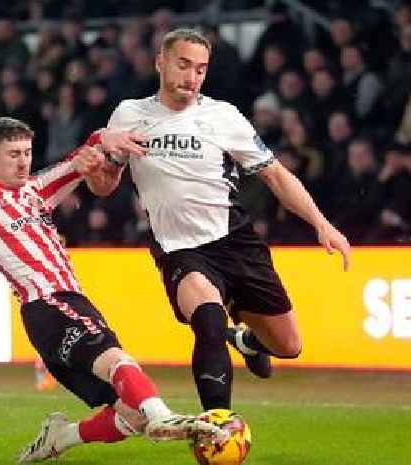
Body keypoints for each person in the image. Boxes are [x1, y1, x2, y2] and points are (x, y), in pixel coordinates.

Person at [0, 117, 225, 463]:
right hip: (49, 302)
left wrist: (105, 139)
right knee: (116, 360)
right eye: (13, 153)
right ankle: (163, 416)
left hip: (57, 314)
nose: (23, 161)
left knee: (131, 416)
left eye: (28, 153)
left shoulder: (34, 190)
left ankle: (63, 436)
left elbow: (79, 159)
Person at [87, 29, 351, 412]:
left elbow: (275, 175)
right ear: (160, 62)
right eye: (183, 65)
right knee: (208, 320)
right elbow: (103, 187)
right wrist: (105, 160)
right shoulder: (129, 115)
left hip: (233, 239)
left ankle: (247, 341)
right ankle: (217, 426)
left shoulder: (223, 117)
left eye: (200, 69)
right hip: (179, 247)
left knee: (288, 346)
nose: (192, 77)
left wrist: (322, 224)